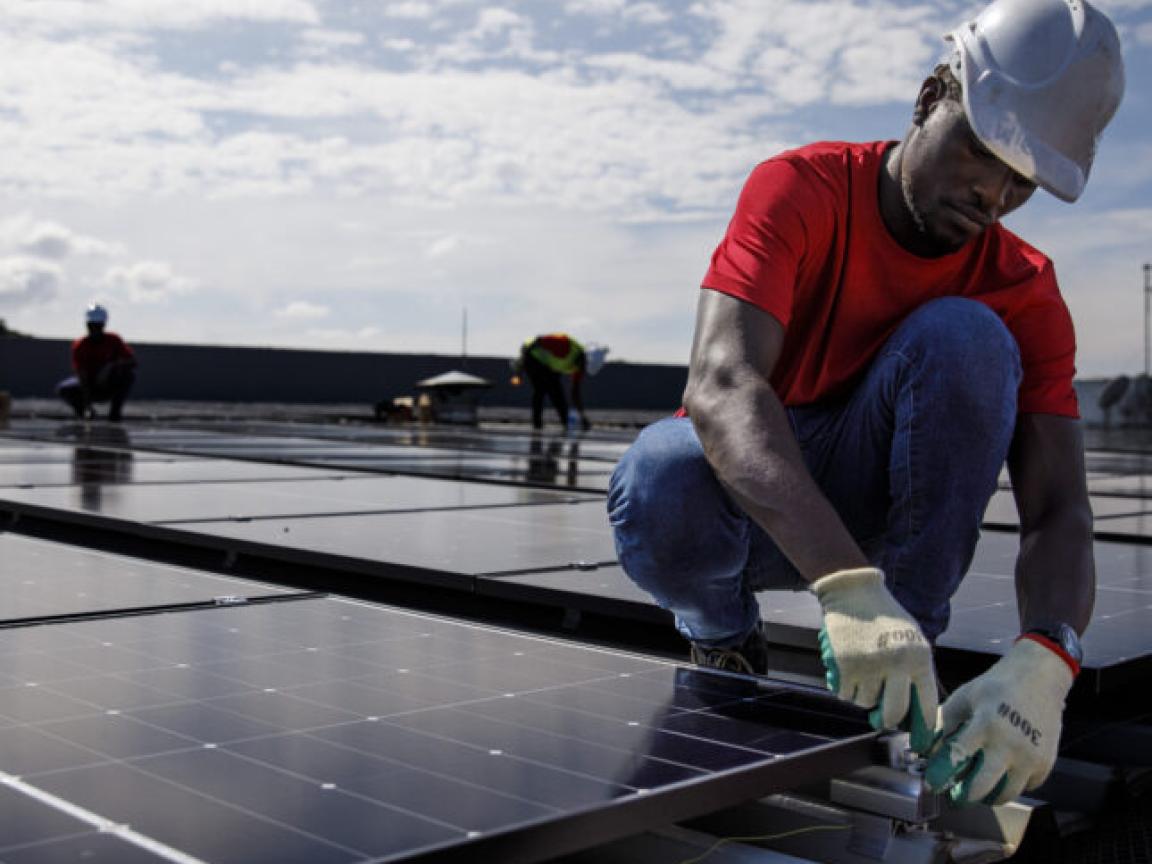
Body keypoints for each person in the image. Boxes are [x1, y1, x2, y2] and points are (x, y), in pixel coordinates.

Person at [608, 0, 1123, 808]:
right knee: (660, 475)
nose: (992, 193)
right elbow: (722, 386)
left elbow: (1059, 508)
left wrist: (1047, 659)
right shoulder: (802, 190)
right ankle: (724, 640)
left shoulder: (1023, 289)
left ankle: (898, 661)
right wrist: (847, 586)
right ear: (930, 98)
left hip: (885, 514)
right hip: (755, 507)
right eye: (983, 149)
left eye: (1023, 180)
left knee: (970, 337)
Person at [57, 303, 137, 422]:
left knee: (128, 375)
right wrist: (87, 404)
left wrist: (110, 367)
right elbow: (82, 375)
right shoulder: (80, 346)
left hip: (109, 384)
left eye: (97, 326)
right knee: (64, 389)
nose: (94, 330)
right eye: (91, 326)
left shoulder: (113, 340)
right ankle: (86, 413)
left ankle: (114, 414)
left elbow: (132, 361)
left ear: (103, 326)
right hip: (90, 385)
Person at [512, 334, 608, 430]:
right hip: (532, 355)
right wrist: (519, 368)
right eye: (584, 365)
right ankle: (537, 424)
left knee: (557, 393)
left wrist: (582, 416)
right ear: (584, 357)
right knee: (541, 389)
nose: (582, 369)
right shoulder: (565, 344)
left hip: (549, 365)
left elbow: (575, 392)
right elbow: (536, 341)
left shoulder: (580, 366)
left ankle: (566, 423)